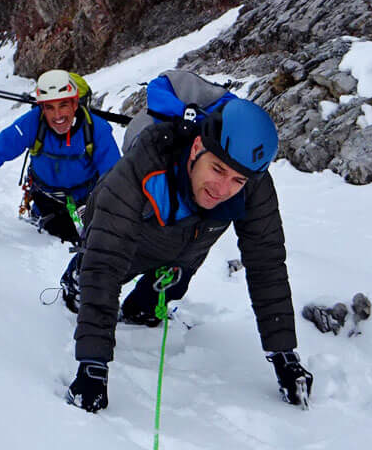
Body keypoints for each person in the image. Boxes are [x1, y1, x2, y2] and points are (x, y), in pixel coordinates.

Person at [63, 95, 311, 413]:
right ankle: (74, 274)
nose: (223, 188)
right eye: (217, 169)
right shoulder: (146, 163)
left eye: (237, 180)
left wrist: (284, 355)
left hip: (186, 250)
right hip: (129, 235)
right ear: (196, 149)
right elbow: (106, 261)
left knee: (151, 309)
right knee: (92, 278)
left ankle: (145, 302)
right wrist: (92, 365)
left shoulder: (252, 181)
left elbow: (266, 262)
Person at [0, 70, 121, 245]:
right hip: (47, 202)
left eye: (63, 105)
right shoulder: (32, 124)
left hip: (88, 200)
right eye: (50, 107)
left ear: (75, 104)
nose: (57, 116)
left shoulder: (97, 130)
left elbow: (116, 179)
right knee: (67, 234)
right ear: (42, 108)